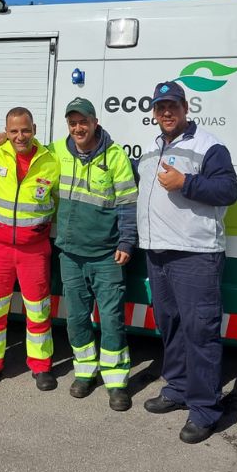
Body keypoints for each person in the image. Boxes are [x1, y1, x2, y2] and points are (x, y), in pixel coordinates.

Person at [137, 81, 237, 444]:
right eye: (161, 106)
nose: (167, 112)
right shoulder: (151, 148)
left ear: (185, 108)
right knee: (172, 327)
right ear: (154, 111)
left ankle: (205, 409)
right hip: (158, 252)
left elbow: (229, 191)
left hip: (195, 255)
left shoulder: (209, 146)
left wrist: (187, 183)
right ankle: (178, 388)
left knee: (200, 332)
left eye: (173, 106)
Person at [48, 98, 138, 411]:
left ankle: (116, 382)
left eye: (82, 122)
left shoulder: (114, 156)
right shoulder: (56, 151)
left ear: (94, 122)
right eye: (72, 123)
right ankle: (85, 372)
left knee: (112, 320)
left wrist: (126, 242)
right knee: (75, 319)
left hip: (106, 256)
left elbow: (127, 202)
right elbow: (25, 151)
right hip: (70, 254)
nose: (78, 128)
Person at [0, 107, 60, 392]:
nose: (20, 136)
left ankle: (41, 366)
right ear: (5, 131)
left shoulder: (51, 160)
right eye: (13, 131)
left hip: (34, 250)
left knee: (38, 310)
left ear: (34, 128)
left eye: (25, 130)